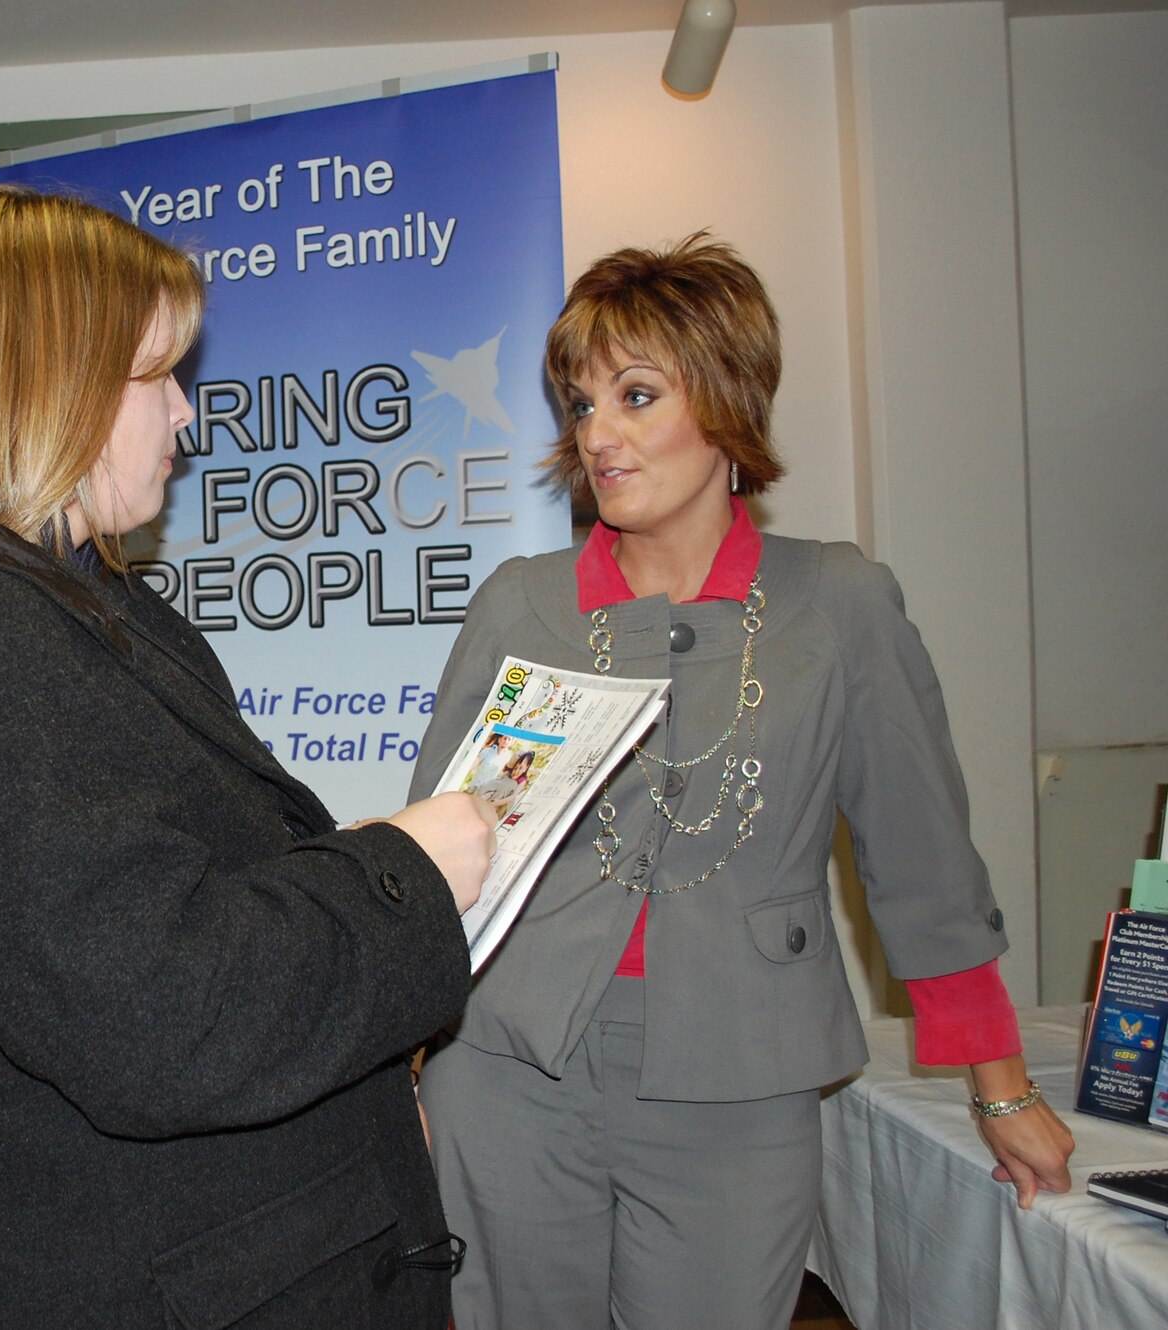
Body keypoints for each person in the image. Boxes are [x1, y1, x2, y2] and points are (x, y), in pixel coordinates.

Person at [0, 185, 496, 1330]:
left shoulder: (57, 609)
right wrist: (401, 873)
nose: (185, 415)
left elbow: (163, 917)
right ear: (51, 379)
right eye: (156, 376)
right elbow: (166, 1018)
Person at [408, 234, 1076, 1330]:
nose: (598, 436)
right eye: (580, 405)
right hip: (507, 1071)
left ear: (725, 402)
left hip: (738, 1074)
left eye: (633, 395)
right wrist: (406, 1068)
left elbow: (921, 860)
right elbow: (441, 858)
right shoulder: (519, 603)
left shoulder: (836, 602)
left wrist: (997, 1082)